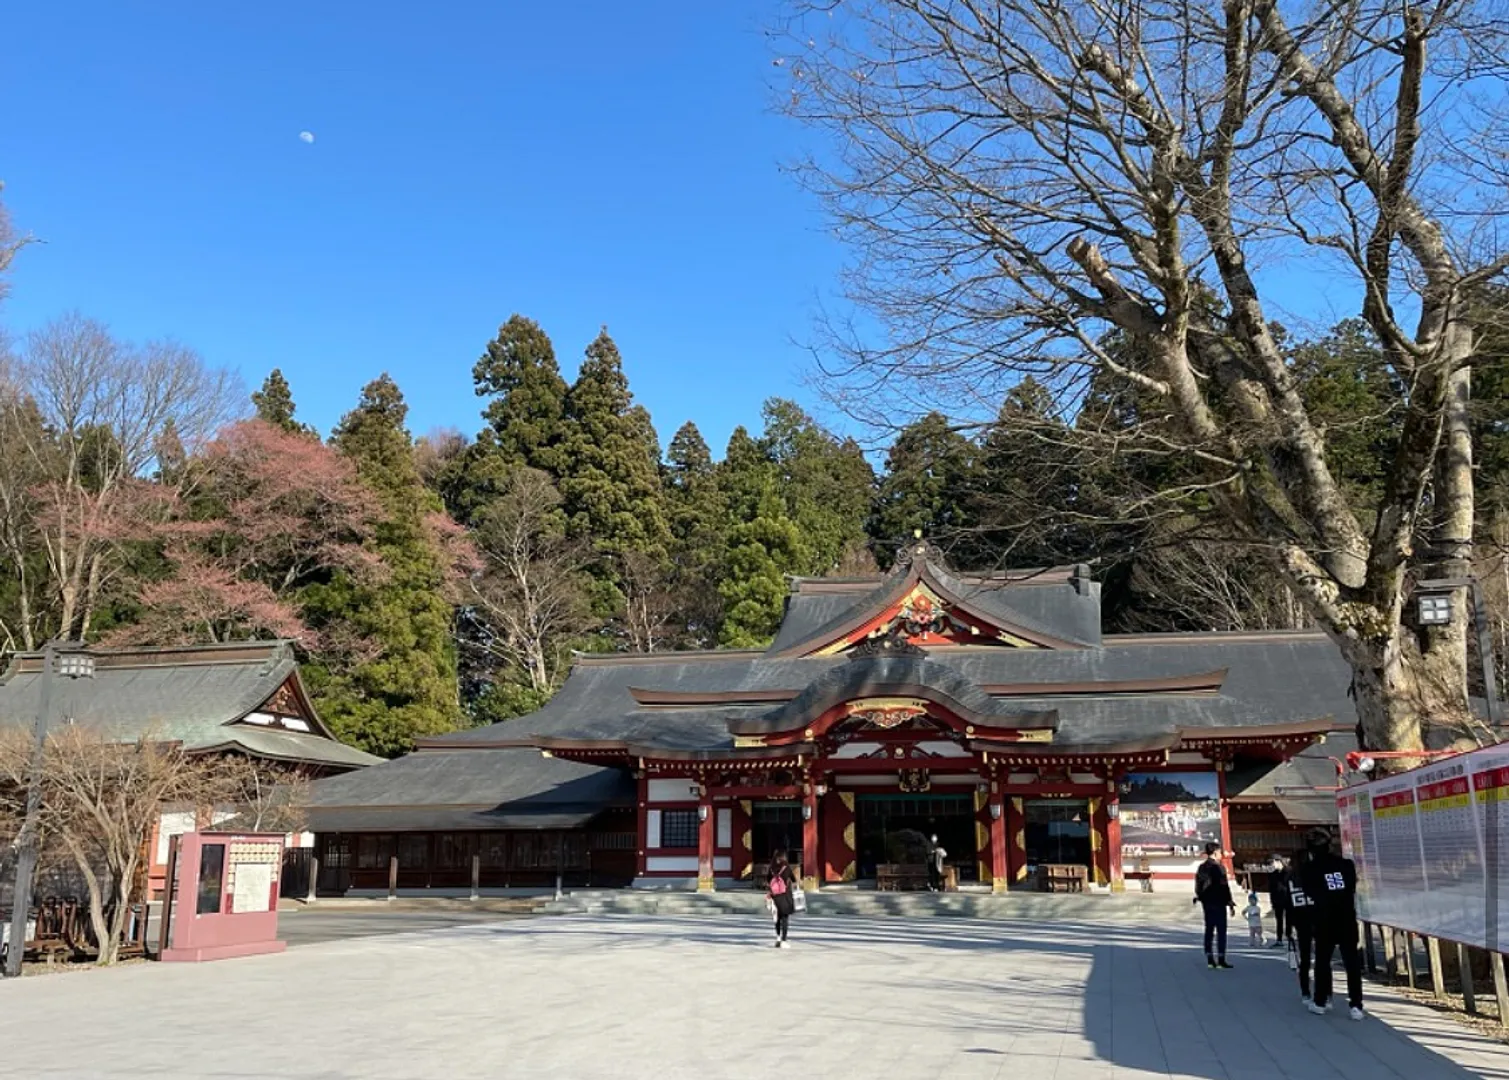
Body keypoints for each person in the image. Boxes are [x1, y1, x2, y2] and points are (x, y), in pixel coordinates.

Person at [1299, 828, 1364, 1020]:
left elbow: (1310, 893)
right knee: (1351, 962)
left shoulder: (1309, 869)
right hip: (1346, 918)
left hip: (1324, 919)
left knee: (1322, 962)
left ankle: (1320, 1001)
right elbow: (1351, 887)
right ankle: (1356, 1006)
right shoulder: (1346, 865)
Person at [1194, 842, 1236, 968]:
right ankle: (1221, 958)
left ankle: (1210, 958)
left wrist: (1201, 897)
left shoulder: (1201, 867)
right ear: (1215, 852)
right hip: (1218, 902)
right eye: (1220, 852)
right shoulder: (1219, 868)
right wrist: (1229, 902)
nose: (1221, 855)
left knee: (1209, 929)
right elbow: (1224, 886)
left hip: (1207, 902)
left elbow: (1198, 886)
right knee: (1221, 930)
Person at [1287, 848, 1316, 1003]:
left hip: (1299, 919)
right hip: (1317, 918)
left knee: (1304, 958)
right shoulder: (1315, 874)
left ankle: (1305, 991)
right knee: (1322, 958)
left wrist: (1288, 927)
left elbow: (1288, 904)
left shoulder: (1290, 877)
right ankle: (1326, 992)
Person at [766, 849, 797, 948]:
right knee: (785, 918)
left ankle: (778, 938)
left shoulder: (771, 868)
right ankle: (784, 940)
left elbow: (767, 880)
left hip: (775, 896)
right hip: (785, 895)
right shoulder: (786, 868)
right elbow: (793, 879)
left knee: (777, 918)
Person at [1268, 854, 1293, 948]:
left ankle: (1289, 936)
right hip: (1277, 899)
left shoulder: (1289, 871)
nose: (1271, 864)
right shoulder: (1272, 874)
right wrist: (1272, 901)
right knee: (1279, 920)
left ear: (1278, 861)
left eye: (1272, 862)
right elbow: (1271, 888)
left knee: (1289, 919)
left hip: (1288, 898)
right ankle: (1279, 939)